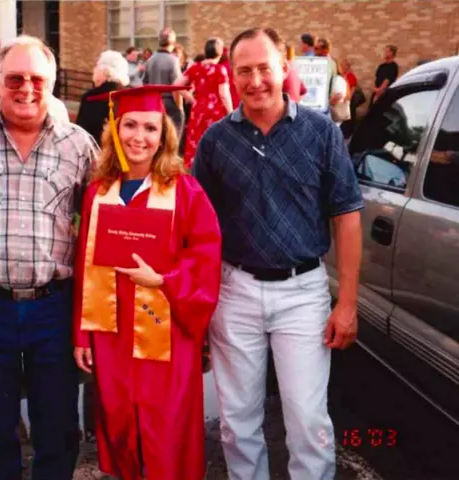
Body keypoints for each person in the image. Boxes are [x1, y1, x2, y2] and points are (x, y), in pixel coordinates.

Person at [193, 27, 363, 480]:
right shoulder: (215, 142)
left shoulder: (321, 133)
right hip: (235, 291)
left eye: (264, 68)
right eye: (243, 71)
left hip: (303, 293)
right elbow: (198, 228)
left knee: (308, 420)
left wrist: (347, 303)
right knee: (238, 423)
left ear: (284, 68)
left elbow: (347, 217)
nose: (255, 81)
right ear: (231, 75)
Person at [74, 85, 222, 480]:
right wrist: (81, 334)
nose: (139, 137)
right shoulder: (98, 193)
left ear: (164, 136)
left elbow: (206, 259)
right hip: (112, 335)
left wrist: (163, 279)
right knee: (121, 422)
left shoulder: (185, 192)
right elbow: (85, 263)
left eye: (151, 128)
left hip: (167, 334)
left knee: (165, 429)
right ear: (115, 129)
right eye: (130, 125)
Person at [174, 38, 233, 168]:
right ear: (220, 52)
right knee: (215, 143)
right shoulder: (220, 69)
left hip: (198, 110)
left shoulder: (195, 67)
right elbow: (224, 94)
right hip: (215, 112)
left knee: (197, 141)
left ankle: (196, 170)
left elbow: (176, 84)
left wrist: (191, 98)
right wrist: (231, 112)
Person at [75, 49, 129, 145]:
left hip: (95, 150)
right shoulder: (129, 95)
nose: (94, 71)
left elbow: (81, 133)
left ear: (104, 71)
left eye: (96, 67)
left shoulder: (90, 97)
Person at [143, 28, 184, 134]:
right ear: (173, 42)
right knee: (173, 136)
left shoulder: (150, 60)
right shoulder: (173, 60)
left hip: (152, 102)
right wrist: (180, 108)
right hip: (169, 103)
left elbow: (145, 83)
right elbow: (177, 87)